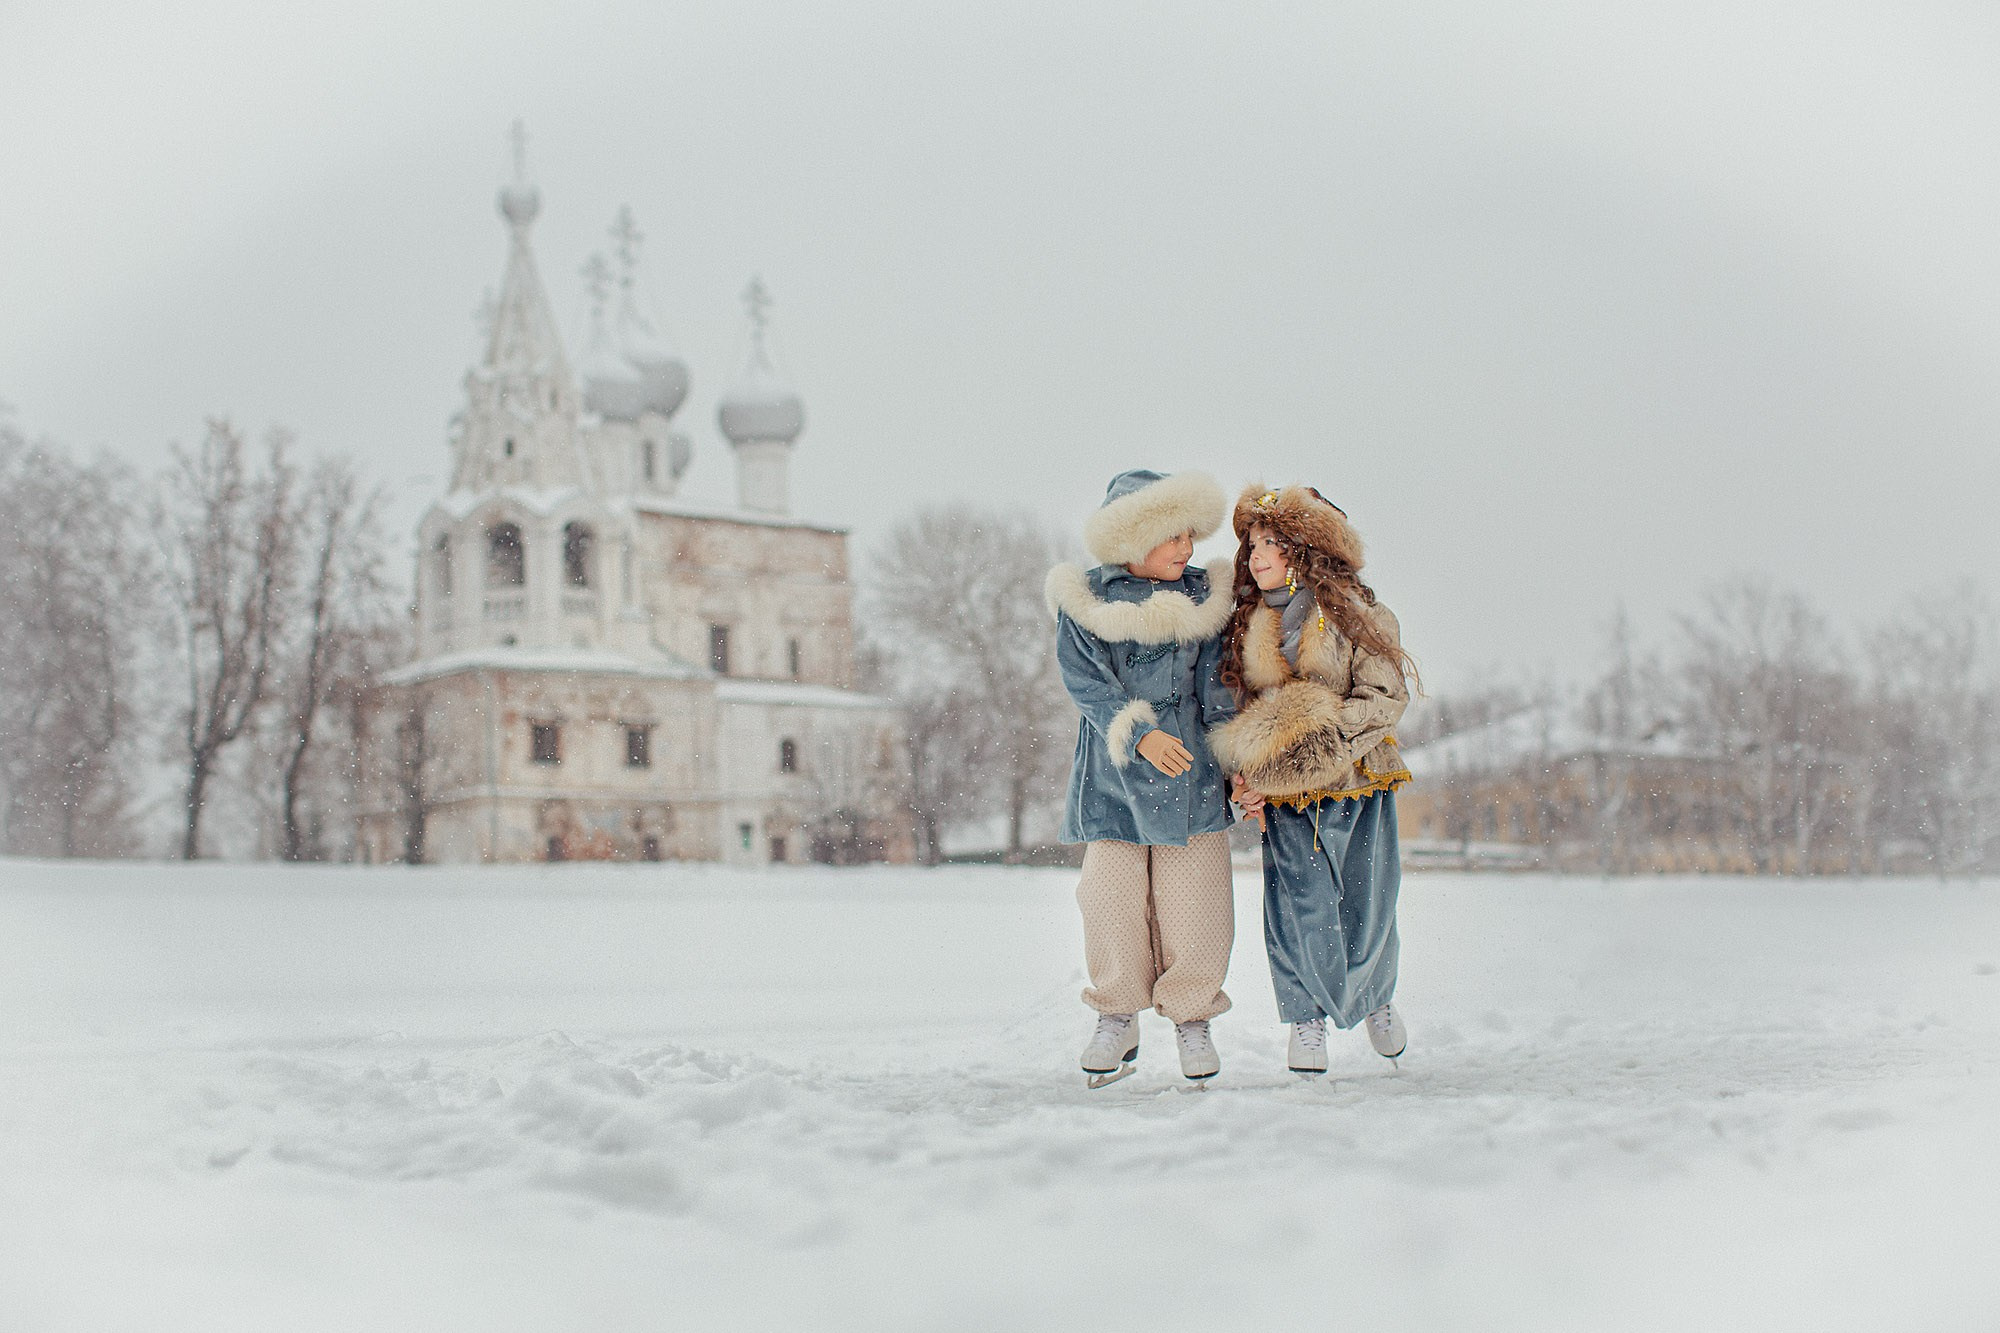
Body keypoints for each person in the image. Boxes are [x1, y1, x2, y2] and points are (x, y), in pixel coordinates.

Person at [1208, 485, 1419, 1076]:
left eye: (1270, 543)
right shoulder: (1246, 622)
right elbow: (1235, 710)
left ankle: (1375, 995)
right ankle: (1306, 1017)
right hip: (1287, 799)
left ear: (1304, 549)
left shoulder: (1361, 615)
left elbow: (1384, 699)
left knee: (1368, 901)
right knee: (1299, 906)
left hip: (1358, 782)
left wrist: (1307, 740)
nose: (1256, 556)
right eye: (1252, 544)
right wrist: (1246, 772)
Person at [1046, 469, 1239, 1086]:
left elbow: (1219, 689)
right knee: (1110, 900)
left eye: (1190, 535)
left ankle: (1192, 1017)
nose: (1187, 547)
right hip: (1113, 780)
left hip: (1193, 778)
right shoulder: (1085, 601)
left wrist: (1238, 766)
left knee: (1197, 905)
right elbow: (1087, 685)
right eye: (1173, 536)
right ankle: (1117, 1013)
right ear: (1134, 537)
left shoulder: (1206, 597)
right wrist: (1139, 734)